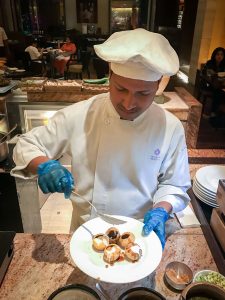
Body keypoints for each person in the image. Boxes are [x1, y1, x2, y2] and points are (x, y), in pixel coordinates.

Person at [11, 29, 191, 249]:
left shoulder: (170, 127)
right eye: (120, 89)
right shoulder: (81, 114)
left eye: (143, 94)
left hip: (140, 235)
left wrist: (162, 209)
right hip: (85, 233)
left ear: (157, 87)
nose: (128, 103)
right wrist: (44, 166)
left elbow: (174, 184)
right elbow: (26, 143)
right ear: (110, 76)